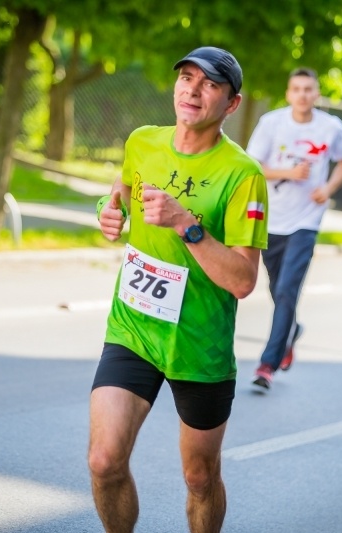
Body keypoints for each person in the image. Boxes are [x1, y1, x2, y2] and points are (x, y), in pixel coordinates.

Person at [87, 46, 267, 533]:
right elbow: (123, 190)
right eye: (186, 77)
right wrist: (109, 210)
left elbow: (243, 280)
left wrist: (188, 225)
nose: (192, 89)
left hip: (198, 346)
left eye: (209, 84)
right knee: (104, 461)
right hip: (134, 329)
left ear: (232, 104)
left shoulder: (243, 175)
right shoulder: (143, 141)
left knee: (199, 476)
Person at [244, 67, 342, 390]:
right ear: (289, 93)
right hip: (272, 219)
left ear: (317, 94)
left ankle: (268, 363)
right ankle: (291, 331)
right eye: (297, 89)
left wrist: (328, 188)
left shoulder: (331, 127)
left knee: (287, 290)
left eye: (309, 89)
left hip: (306, 220)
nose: (303, 95)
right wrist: (288, 174)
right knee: (276, 290)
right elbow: (252, 168)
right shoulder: (272, 124)